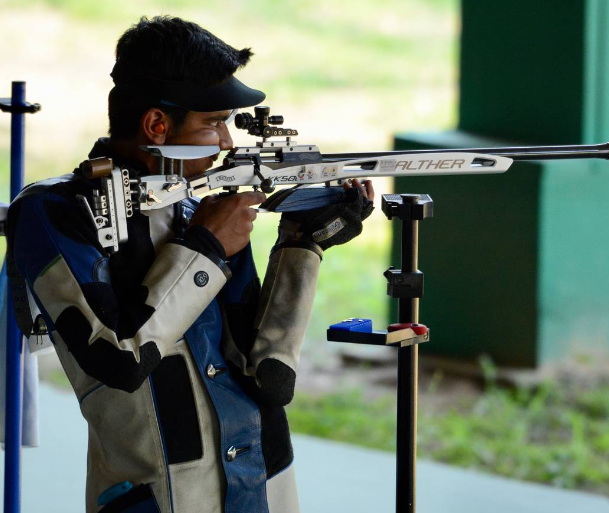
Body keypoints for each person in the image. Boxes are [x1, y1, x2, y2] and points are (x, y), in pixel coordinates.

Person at [6, 16, 373, 513]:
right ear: (157, 125)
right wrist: (206, 247)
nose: (227, 141)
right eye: (213, 122)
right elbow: (119, 357)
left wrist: (302, 246)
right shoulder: (57, 213)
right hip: (162, 493)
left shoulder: (196, 203)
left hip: (266, 480)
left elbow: (268, 373)